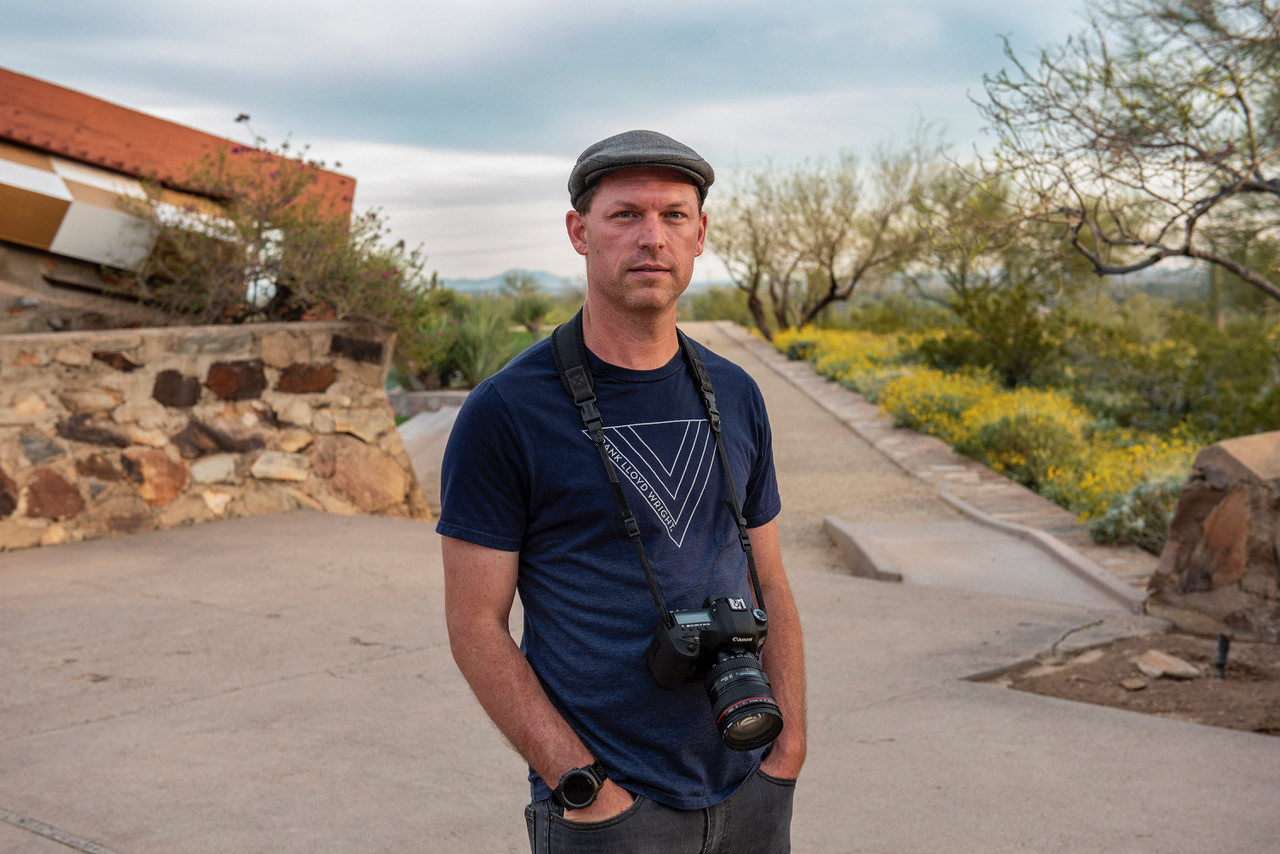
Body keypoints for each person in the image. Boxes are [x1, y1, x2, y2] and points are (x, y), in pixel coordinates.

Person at [438, 130, 806, 853]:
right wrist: (581, 783)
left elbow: (770, 580)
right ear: (579, 232)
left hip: (751, 782)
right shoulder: (506, 411)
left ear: (700, 235)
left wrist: (787, 749)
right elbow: (474, 624)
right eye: (625, 215)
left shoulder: (736, 393)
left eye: (674, 216)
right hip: (607, 810)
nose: (652, 238)